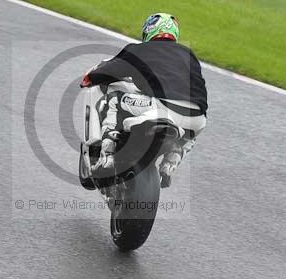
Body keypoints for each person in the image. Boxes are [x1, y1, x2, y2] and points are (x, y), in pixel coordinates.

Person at [83, 12, 208, 186]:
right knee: (187, 136)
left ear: (150, 30)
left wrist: (91, 77)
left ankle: (107, 157)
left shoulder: (139, 49)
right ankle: (170, 163)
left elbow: (112, 70)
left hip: (162, 107)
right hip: (197, 118)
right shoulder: (189, 55)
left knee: (115, 99)